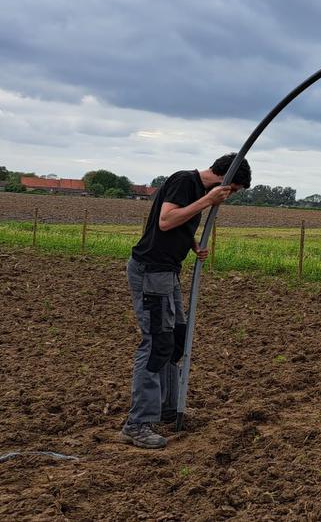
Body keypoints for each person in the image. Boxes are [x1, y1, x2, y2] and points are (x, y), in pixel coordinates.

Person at [120, 153, 251, 449]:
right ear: (227, 183)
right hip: (152, 271)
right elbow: (165, 221)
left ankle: (166, 408)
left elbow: (177, 224)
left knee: (175, 339)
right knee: (156, 343)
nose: (229, 198)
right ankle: (137, 423)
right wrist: (208, 202)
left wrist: (192, 244)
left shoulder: (198, 191)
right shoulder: (184, 181)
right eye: (234, 192)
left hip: (168, 272)